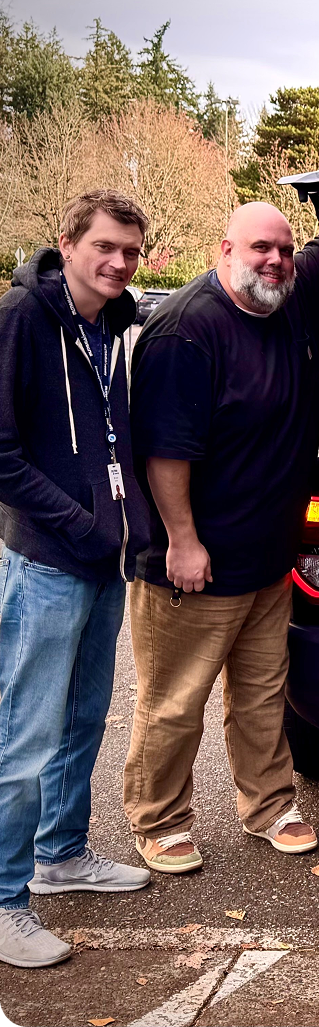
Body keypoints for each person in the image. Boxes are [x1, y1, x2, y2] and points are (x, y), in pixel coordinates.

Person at [123, 202, 319, 874]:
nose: (275, 260)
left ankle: (269, 806)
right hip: (194, 561)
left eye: (282, 250)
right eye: (260, 249)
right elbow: (165, 454)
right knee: (175, 702)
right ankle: (159, 821)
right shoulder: (185, 333)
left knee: (260, 694)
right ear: (224, 250)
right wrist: (183, 542)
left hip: (268, 556)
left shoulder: (289, 296)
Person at [0, 190, 155, 968]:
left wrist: (130, 534)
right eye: (106, 247)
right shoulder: (23, 318)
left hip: (103, 562)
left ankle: (61, 855)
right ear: (67, 243)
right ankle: (4, 900)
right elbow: (1, 455)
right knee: (23, 738)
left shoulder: (118, 327)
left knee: (85, 719)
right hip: (44, 564)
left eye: (131, 251)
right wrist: (77, 519)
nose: (119, 263)